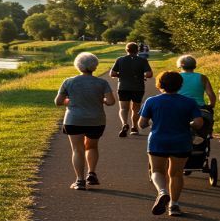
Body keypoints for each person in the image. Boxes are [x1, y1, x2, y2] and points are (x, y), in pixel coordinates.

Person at [138, 71, 203, 216]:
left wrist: (156, 121)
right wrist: (188, 123)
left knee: (157, 171)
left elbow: (141, 124)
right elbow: (198, 123)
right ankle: (174, 205)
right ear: (180, 85)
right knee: (176, 174)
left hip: (158, 140)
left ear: (160, 84)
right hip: (181, 141)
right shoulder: (189, 102)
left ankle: (162, 191)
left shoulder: (152, 101)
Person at [55, 52, 116, 190]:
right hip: (96, 120)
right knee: (92, 146)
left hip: (73, 119)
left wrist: (68, 101)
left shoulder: (69, 81)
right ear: (95, 66)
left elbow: (58, 102)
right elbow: (111, 102)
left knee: (77, 149)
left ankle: (80, 180)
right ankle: (92, 173)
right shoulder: (102, 83)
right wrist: (102, 100)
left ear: (78, 66)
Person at [111, 42, 153, 137]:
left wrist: (121, 75)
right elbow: (149, 74)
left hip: (123, 87)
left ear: (126, 50)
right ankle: (134, 127)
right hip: (138, 87)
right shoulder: (142, 60)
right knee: (136, 108)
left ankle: (124, 124)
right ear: (137, 50)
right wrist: (142, 75)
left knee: (123, 108)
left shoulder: (120, 60)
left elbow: (112, 73)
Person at [176, 54, 217, 132]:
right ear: (194, 65)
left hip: (180, 106)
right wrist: (211, 105)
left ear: (180, 65)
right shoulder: (202, 77)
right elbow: (211, 94)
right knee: (209, 117)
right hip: (199, 107)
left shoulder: (176, 76)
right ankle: (209, 132)